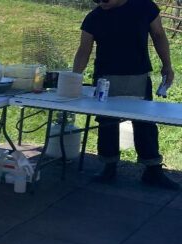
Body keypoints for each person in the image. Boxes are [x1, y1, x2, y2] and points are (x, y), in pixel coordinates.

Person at [73, 0, 179, 190]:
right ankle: (108, 165)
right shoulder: (94, 17)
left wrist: (167, 65)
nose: (101, 3)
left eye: (104, 0)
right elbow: (83, 51)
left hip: (138, 76)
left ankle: (152, 169)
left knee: (145, 121)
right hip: (105, 77)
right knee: (106, 122)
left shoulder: (145, 7)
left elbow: (159, 35)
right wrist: (74, 78)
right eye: (96, 0)